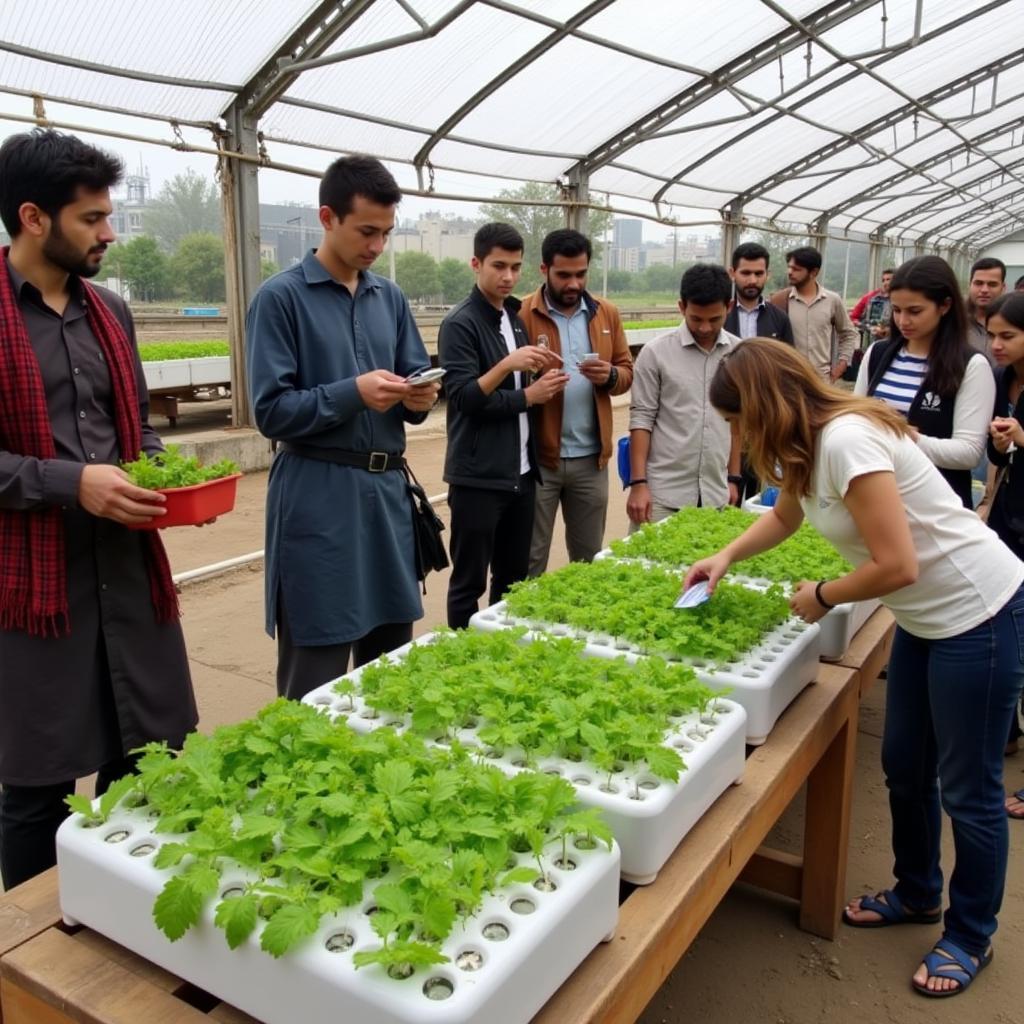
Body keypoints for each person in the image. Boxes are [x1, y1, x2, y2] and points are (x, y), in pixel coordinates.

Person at [685, 339, 1024, 1000]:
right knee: (904, 764)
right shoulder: (808, 445)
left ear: (762, 405)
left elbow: (898, 565)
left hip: (979, 614)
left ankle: (970, 934)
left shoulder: (846, 441)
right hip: (926, 620)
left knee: (970, 790)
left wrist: (823, 595)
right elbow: (786, 513)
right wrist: (726, 556)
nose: (738, 433)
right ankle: (919, 892)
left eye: (737, 420)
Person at [0, 129, 197, 890]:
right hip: (35, 589)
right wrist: (69, 481)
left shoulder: (110, 313)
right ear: (33, 218)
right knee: (33, 787)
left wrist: (164, 487)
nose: (109, 233)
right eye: (92, 218)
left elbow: (136, 429)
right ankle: (30, 950)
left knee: (149, 760)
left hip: (127, 570)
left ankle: (119, 913)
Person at [246, 155, 441, 701]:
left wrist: (419, 397)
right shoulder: (280, 298)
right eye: (366, 231)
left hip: (385, 494)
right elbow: (271, 412)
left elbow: (411, 389)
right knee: (319, 667)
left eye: (386, 233)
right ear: (327, 217)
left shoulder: (390, 298)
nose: (377, 246)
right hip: (318, 494)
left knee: (390, 662)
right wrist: (351, 393)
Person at [439, 223, 567, 628]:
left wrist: (538, 376)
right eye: (498, 266)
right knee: (468, 581)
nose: (508, 276)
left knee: (512, 580)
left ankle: (499, 647)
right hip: (478, 477)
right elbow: (463, 398)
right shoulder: (460, 323)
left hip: (520, 474)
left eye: (515, 267)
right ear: (476, 264)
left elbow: (512, 387)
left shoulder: (512, 317)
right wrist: (517, 380)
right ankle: (462, 656)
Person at [518, 229, 633, 575]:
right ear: (544, 270)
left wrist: (609, 376)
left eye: (580, 274)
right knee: (530, 558)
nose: (573, 283)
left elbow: (627, 372)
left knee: (588, 559)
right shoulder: (522, 313)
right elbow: (508, 380)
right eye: (564, 275)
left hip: (591, 461)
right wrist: (534, 383)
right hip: (540, 461)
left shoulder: (606, 314)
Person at [854, 255, 994, 508]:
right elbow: (854, 419)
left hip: (935, 504)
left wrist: (909, 438)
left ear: (945, 305)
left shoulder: (971, 366)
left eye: (915, 311)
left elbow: (969, 453)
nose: (903, 321)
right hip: (876, 497)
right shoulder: (877, 354)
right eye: (896, 310)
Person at [627, 263, 741, 527]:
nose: (704, 327)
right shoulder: (655, 353)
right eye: (695, 318)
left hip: (716, 492)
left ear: (729, 307)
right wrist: (638, 483)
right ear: (682, 307)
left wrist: (733, 478)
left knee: (710, 566)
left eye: (714, 319)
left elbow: (738, 421)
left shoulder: (739, 353)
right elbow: (641, 420)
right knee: (649, 565)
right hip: (662, 495)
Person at [982, 293, 1024, 771]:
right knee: (1009, 627)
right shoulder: (1001, 379)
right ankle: (1007, 734)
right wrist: (999, 445)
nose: (995, 344)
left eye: (1007, 336)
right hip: (1009, 517)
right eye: (993, 334)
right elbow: (999, 458)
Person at [773, 246, 859, 381]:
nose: (789, 272)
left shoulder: (832, 300)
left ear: (814, 272)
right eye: (789, 267)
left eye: (796, 269)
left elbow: (849, 333)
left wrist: (841, 366)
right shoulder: (780, 301)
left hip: (822, 379)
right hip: (789, 379)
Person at [724, 242, 794, 343]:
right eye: (746, 273)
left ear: (767, 275)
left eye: (759, 274)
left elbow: (787, 357)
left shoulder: (780, 319)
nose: (753, 280)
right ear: (732, 273)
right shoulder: (719, 316)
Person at [966, 257, 1006, 357]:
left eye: (992, 284)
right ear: (970, 285)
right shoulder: (953, 320)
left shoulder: (1014, 321)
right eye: (978, 283)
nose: (984, 290)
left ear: (1003, 287)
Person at [850, 267, 894, 341]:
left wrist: (891, 330)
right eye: (883, 280)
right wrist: (868, 327)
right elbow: (853, 317)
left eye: (888, 279)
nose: (885, 283)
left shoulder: (903, 298)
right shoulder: (870, 297)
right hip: (871, 340)